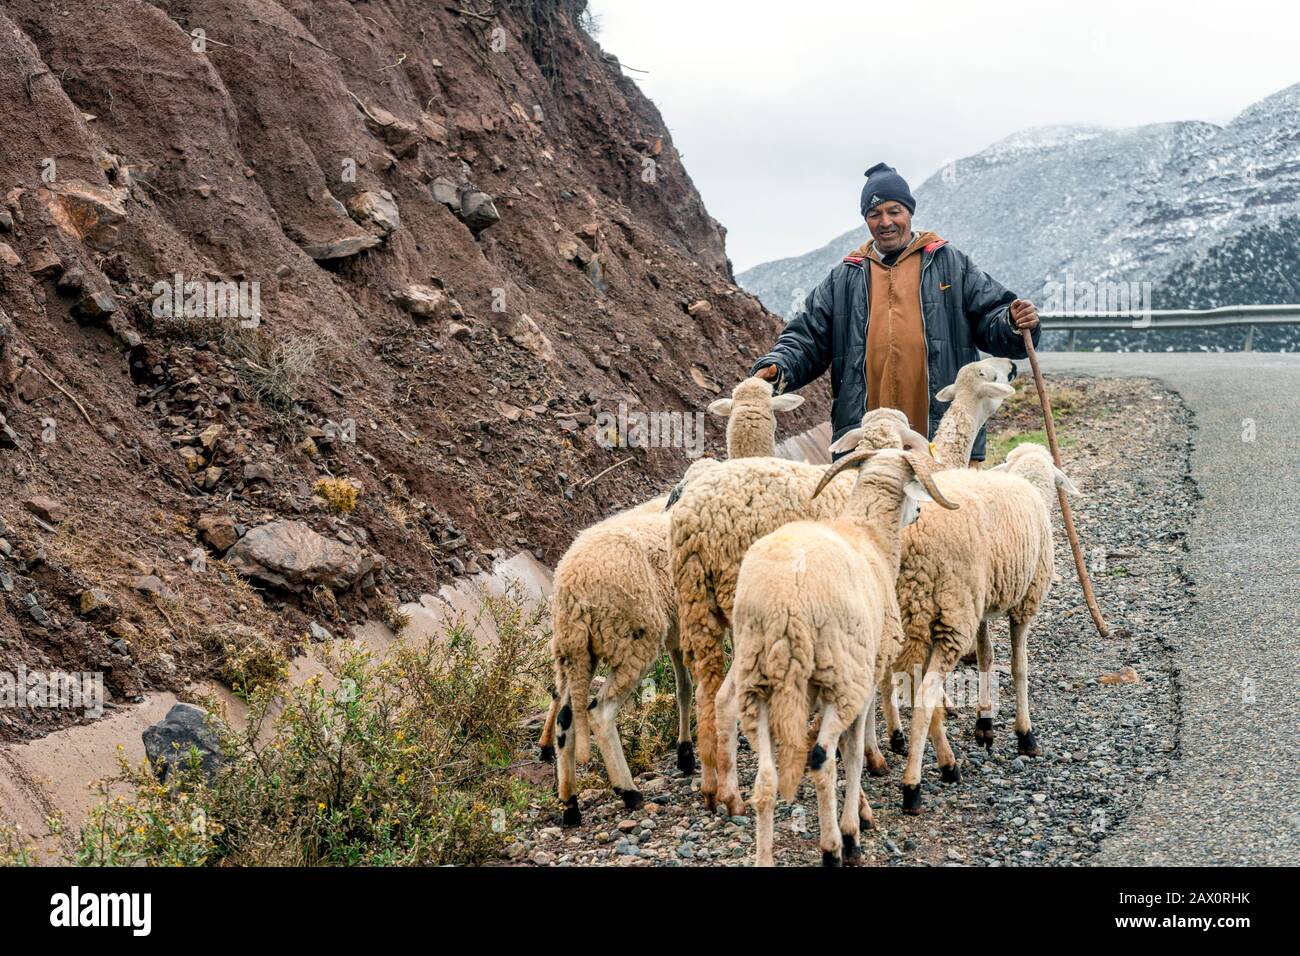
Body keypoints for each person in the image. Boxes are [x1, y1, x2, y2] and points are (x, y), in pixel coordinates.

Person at [751, 162, 1041, 464]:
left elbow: (992, 316)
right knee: (872, 506)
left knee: (949, 510)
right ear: (866, 220)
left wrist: (1012, 321)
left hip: (941, 434)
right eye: (874, 214)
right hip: (866, 439)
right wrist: (778, 367)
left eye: (894, 211)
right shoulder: (845, 277)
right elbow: (806, 336)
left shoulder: (949, 263)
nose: (885, 222)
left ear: (909, 213)